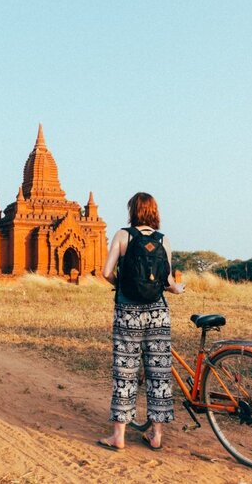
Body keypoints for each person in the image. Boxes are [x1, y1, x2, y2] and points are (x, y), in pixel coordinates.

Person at [98, 192, 184, 452]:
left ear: (132, 211)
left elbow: (105, 272)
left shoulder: (123, 236)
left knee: (125, 373)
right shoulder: (163, 240)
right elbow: (167, 282)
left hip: (127, 312)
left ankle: (119, 437)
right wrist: (178, 288)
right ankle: (156, 435)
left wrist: (120, 286)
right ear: (154, 212)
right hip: (158, 313)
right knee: (159, 374)